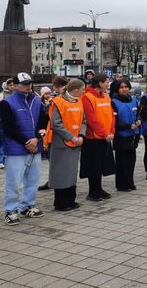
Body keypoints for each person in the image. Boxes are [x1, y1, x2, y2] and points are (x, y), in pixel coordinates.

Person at [0, 72, 49, 225]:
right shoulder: (7, 103)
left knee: (33, 179)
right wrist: (27, 141)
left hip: (35, 146)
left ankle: (28, 205)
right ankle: (11, 210)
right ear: (14, 85)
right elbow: (8, 128)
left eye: (29, 83)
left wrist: (36, 138)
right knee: (14, 181)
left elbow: (43, 119)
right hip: (16, 148)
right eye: (24, 83)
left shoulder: (36, 101)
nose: (28, 86)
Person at [44, 79, 86, 211]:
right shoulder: (57, 102)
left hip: (76, 141)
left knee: (71, 173)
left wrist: (81, 136)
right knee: (61, 173)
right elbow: (56, 124)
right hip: (61, 143)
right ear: (75, 90)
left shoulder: (79, 101)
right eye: (83, 89)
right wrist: (71, 137)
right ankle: (61, 203)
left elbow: (83, 121)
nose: (84, 92)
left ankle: (71, 200)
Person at [80, 74, 115, 201]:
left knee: (101, 165)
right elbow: (91, 120)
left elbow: (112, 115)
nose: (108, 84)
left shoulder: (106, 96)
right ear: (100, 83)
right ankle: (93, 192)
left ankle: (99, 189)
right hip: (93, 138)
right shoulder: (87, 97)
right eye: (106, 82)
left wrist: (111, 131)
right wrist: (105, 134)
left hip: (106, 137)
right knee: (93, 166)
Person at [111, 79, 140, 191]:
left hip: (133, 134)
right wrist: (128, 126)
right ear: (118, 89)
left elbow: (138, 114)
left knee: (131, 160)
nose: (124, 89)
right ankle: (122, 184)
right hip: (121, 135)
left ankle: (130, 182)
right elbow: (115, 121)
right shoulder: (114, 102)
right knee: (121, 161)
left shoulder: (133, 100)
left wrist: (138, 120)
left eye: (126, 87)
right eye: (121, 87)